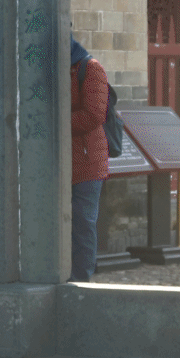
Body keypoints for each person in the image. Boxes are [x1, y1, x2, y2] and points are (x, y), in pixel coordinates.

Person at [69, 38, 111, 282]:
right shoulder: (52, 70)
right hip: (61, 162)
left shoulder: (90, 68)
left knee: (83, 223)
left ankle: (81, 278)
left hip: (87, 162)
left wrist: (57, 120)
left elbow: (94, 115)